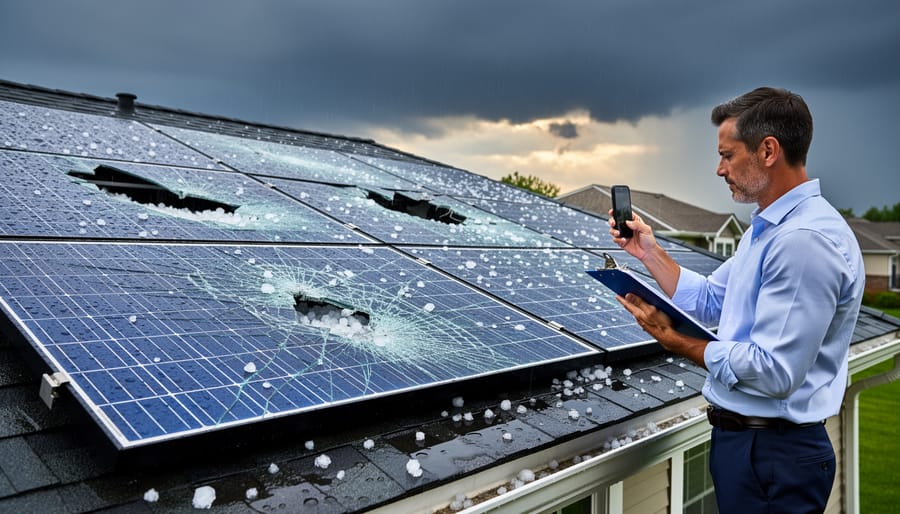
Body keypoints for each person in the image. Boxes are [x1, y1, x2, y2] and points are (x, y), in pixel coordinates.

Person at [609, 87, 864, 513]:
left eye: (728, 155)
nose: (719, 168)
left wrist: (680, 344)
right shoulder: (768, 230)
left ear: (768, 150)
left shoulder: (803, 241)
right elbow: (712, 299)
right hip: (751, 447)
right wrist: (648, 253)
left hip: (774, 455)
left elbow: (775, 371)